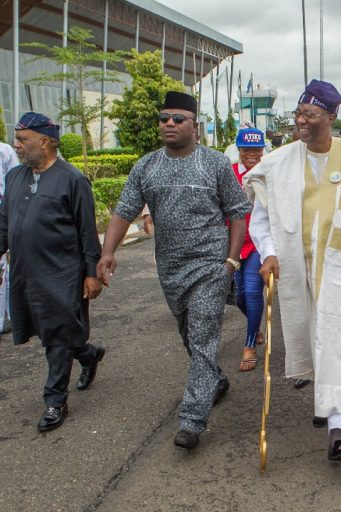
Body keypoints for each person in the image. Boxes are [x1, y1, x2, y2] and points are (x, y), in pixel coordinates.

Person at [245, 79, 341, 463]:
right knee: (315, 339)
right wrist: (269, 253)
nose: (300, 120)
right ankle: (325, 401)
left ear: (331, 117)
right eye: (298, 113)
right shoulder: (279, 162)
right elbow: (261, 218)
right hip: (299, 271)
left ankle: (339, 430)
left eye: (309, 114)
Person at [98, 91, 251, 450]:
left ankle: (192, 420)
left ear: (194, 125)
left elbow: (237, 212)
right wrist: (107, 252)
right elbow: (125, 210)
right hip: (170, 268)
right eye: (164, 118)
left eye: (178, 118)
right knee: (189, 334)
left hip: (210, 266)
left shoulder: (214, 163)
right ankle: (214, 380)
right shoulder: (147, 166)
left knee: (202, 336)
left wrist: (230, 262)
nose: (169, 123)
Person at [0, 112, 103, 432]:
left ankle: (55, 400)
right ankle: (88, 354)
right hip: (24, 272)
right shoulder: (15, 177)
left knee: (56, 334)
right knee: (48, 330)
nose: (16, 146)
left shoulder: (73, 179)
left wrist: (92, 273)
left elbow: (87, 232)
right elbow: (4, 223)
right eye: (16, 139)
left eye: (23, 140)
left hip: (62, 273)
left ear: (45, 142)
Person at [231, 127, 267, 372]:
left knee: (253, 291)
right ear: (239, 150)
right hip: (234, 243)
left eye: (256, 149)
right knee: (239, 296)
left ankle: (250, 344)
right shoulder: (229, 173)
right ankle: (255, 325)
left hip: (258, 242)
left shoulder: (269, 173)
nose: (252, 154)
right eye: (246, 150)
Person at [0, 140, 19, 335]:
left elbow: (16, 185)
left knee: (3, 270)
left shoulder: (4, 150)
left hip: (2, 215)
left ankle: (10, 317)